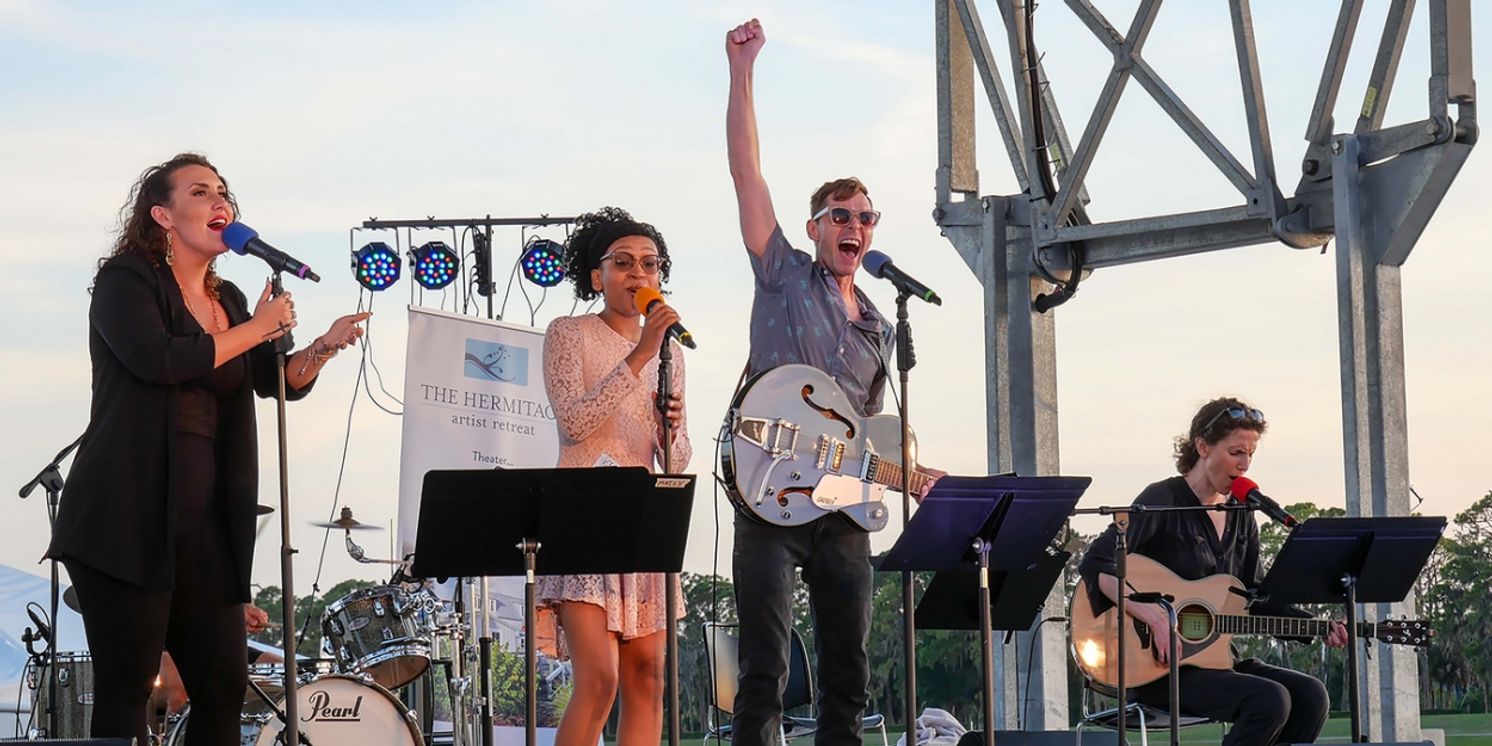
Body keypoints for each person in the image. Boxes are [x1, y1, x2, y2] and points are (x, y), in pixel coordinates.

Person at [47, 153, 370, 745]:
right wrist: (259, 328)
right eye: (200, 192)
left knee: (222, 687)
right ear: (163, 215)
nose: (220, 201)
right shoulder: (127, 280)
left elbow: (275, 382)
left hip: (207, 527)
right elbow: (159, 360)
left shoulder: (236, 300)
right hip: (126, 518)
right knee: (127, 687)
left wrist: (320, 347)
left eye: (223, 191)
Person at [725, 18, 943, 745]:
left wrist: (911, 473)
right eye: (840, 215)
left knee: (849, 670)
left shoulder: (881, 325)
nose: (855, 226)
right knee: (766, 667)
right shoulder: (785, 275)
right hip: (768, 490)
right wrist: (742, 70)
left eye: (866, 217)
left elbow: (864, 433)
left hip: (842, 507)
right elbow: (746, 171)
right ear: (816, 227)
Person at [1076, 397, 1348, 746]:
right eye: (1236, 452)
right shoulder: (1163, 499)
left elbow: (1256, 598)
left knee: (1311, 695)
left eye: (1250, 454)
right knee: (1269, 700)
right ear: (1203, 447)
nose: (1245, 464)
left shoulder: (1241, 514)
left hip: (1217, 662)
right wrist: (1155, 617)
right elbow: (1096, 562)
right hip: (1157, 669)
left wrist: (1316, 625)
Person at [537, 206, 690, 746]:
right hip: (582, 516)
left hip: (643, 520)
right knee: (600, 681)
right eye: (622, 263)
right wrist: (641, 352)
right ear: (596, 276)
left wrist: (670, 427)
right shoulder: (568, 334)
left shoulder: (671, 355)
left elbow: (675, 461)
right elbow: (576, 424)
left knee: (647, 680)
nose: (638, 275)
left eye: (649, 264)